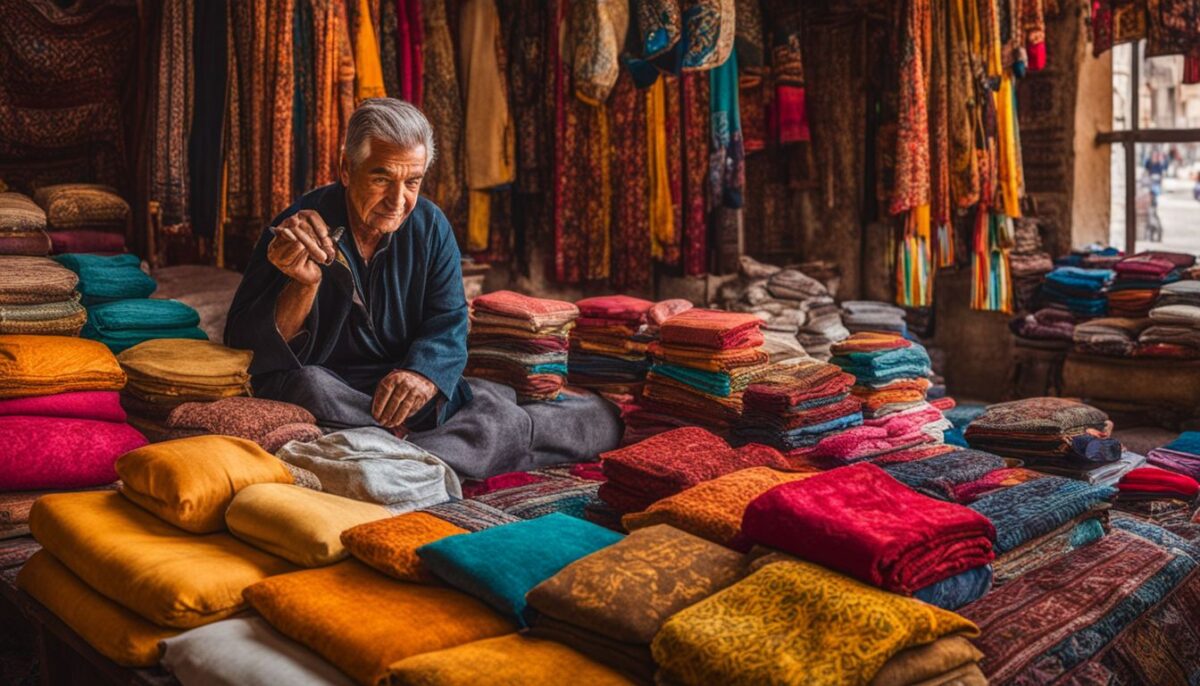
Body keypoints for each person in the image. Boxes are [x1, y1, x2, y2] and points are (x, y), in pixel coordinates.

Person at [226, 99, 620, 478]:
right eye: (382, 178)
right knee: (310, 387)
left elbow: (449, 322)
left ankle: (385, 455)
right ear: (347, 168)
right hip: (333, 395)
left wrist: (423, 374)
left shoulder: (430, 226)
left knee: (511, 409)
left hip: (403, 400)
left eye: (412, 181)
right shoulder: (297, 229)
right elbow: (249, 348)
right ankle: (423, 454)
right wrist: (303, 284)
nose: (398, 200)